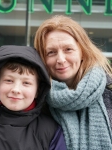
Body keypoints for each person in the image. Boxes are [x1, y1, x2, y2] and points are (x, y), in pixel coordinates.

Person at [0, 45, 66, 150]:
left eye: (26, 83)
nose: (16, 89)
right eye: (9, 80)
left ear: (37, 90)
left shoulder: (50, 131)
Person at [34, 15, 112, 150]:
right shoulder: (36, 101)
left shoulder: (109, 91)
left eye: (68, 49)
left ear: (82, 51)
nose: (61, 59)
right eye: (51, 52)